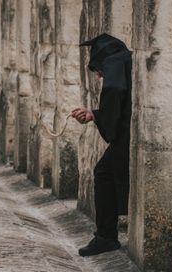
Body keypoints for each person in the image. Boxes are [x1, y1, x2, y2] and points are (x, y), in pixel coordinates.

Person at [71, 33, 132, 257]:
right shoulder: (127, 59)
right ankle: (106, 234)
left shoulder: (114, 62)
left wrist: (100, 117)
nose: (99, 76)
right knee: (107, 172)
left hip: (128, 134)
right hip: (130, 129)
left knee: (104, 172)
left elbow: (115, 92)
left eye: (97, 70)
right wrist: (96, 115)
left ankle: (106, 237)